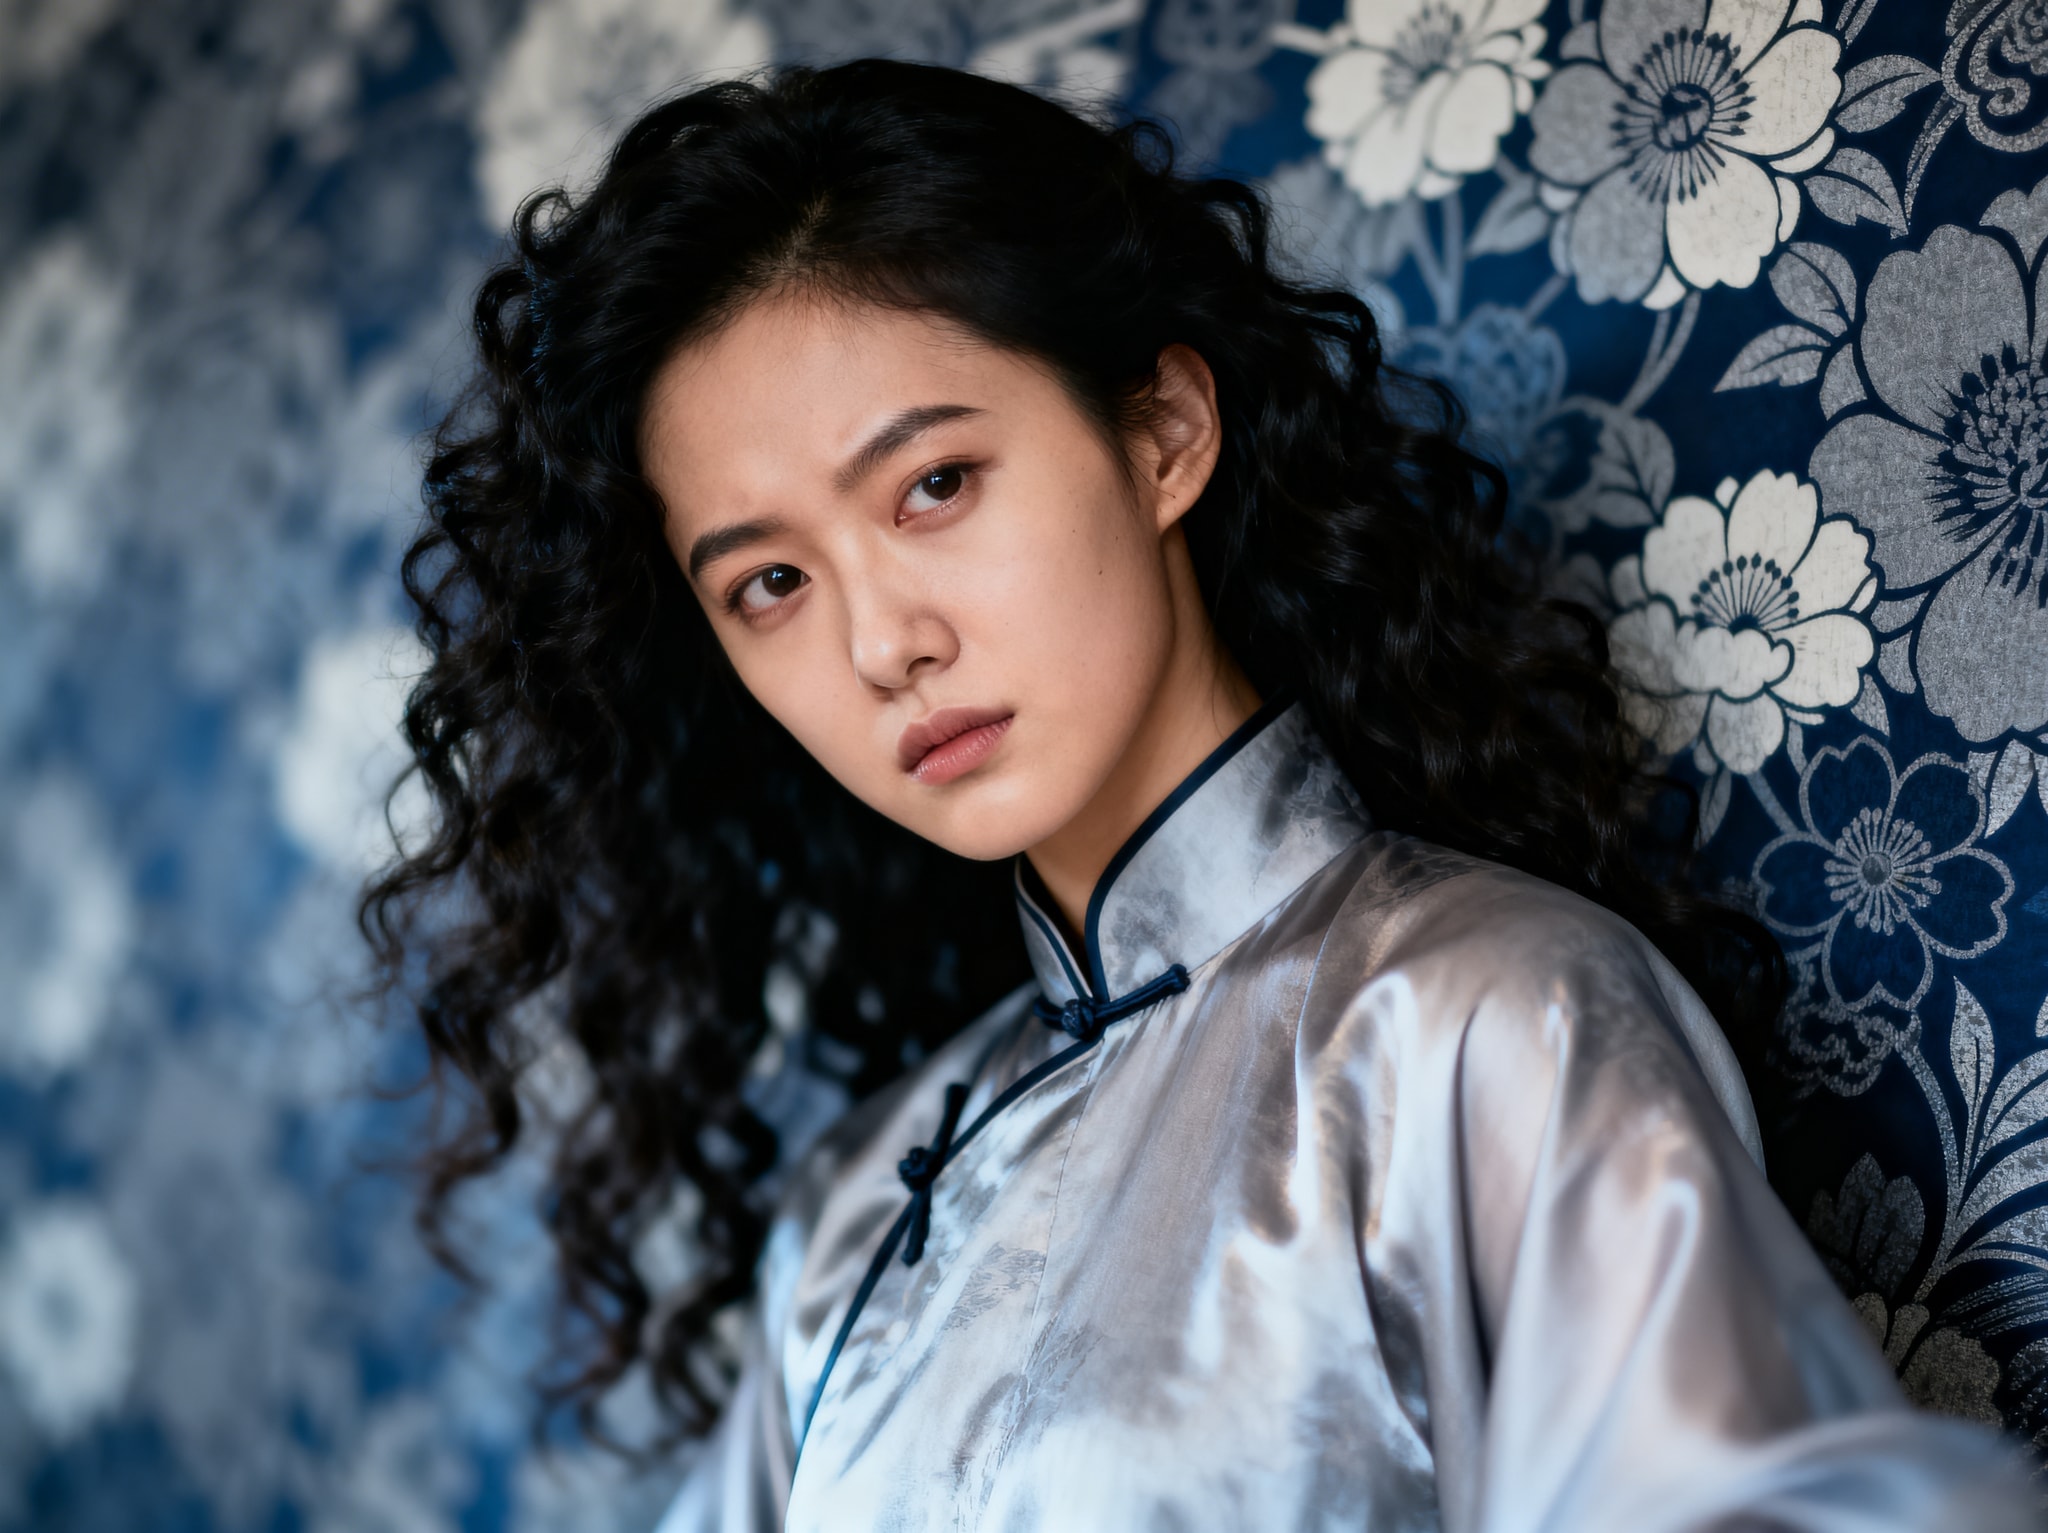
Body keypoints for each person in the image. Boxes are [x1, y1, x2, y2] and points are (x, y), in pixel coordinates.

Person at [362, 58, 2042, 1533]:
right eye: (768, 586)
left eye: (935, 484)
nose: (882, 640)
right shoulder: (866, 1199)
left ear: (1163, 431)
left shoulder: (1482, 1021)